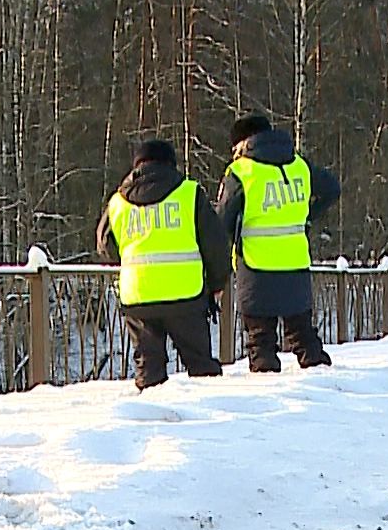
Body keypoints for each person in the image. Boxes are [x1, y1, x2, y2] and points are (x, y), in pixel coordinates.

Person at [96, 138, 229, 390]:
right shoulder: (189, 193)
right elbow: (216, 243)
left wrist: (132, 263)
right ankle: (211, 421)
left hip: (138, 297)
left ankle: (152, 419)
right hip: (185, 295)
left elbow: (104, 244)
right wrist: (216, 283)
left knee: (149, 366)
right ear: (171, 163)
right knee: (201, 367)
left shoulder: (118, 202)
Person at [215, 113, 341, 373]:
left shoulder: (241, 172)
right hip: (295, 263)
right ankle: (322, 380)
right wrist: (307, 215)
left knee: (260, 340)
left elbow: (223, 220)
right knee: (303, 334)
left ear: (243, 143)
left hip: (256, 265)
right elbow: (331, 189)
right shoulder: (299, 166)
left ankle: (267, 387)